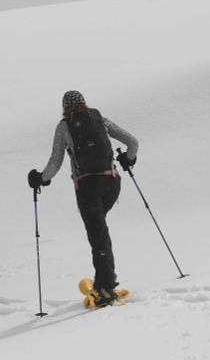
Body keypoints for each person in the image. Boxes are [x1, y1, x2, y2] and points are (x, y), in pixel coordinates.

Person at [28, 90, 139, 307]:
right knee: (100, 231)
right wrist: (128, 158)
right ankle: (105, 281)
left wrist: (41, 179)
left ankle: (105, 288)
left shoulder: (64, 126)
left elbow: (55, 161)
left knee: (98, 236)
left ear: (64, 107)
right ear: (84, 103)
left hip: (88, 186)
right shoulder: (99, 119)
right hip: (112, 182)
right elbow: (133, 142)